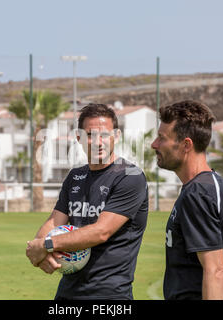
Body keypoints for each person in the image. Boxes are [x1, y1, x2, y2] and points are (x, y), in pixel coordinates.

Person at [26, 103, 149, 300]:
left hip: (109, 295)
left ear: (116, 136)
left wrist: (46, 245)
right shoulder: (75, 176)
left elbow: (101, 232)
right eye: (90, 135)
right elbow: (54, 222)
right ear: (79, 138)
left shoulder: (130, 177)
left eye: (105, 135)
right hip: (68, 291)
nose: (98, 142)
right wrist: (38, 249)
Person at [151, 100, 223, 300]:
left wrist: (219, 277)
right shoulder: (215, 184)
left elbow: (216, 269)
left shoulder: (198, 193)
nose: (154, 144)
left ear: (186, 145)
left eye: (162, 138)